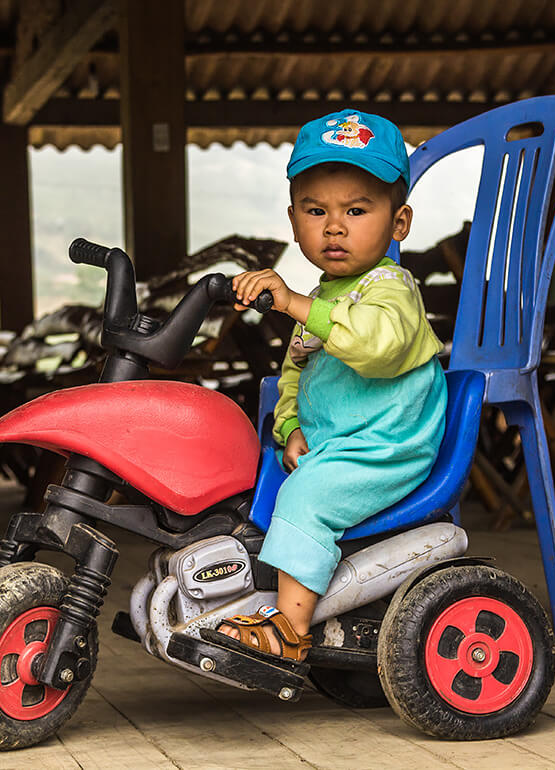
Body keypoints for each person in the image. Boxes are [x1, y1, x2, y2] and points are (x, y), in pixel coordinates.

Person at [213, 109, 447, 663]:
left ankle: (289, 631)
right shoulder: (326, 294)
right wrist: (291, 424)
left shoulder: (391, 289)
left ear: (399, 222)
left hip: (388, 445)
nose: (334, 226)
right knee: (247, 473)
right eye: (316, 211)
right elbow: (297, 373)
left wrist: (294, 301)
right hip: (339, 444)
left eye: (356, 210)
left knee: (308, 495)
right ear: (293, 220)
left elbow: (375, 347)